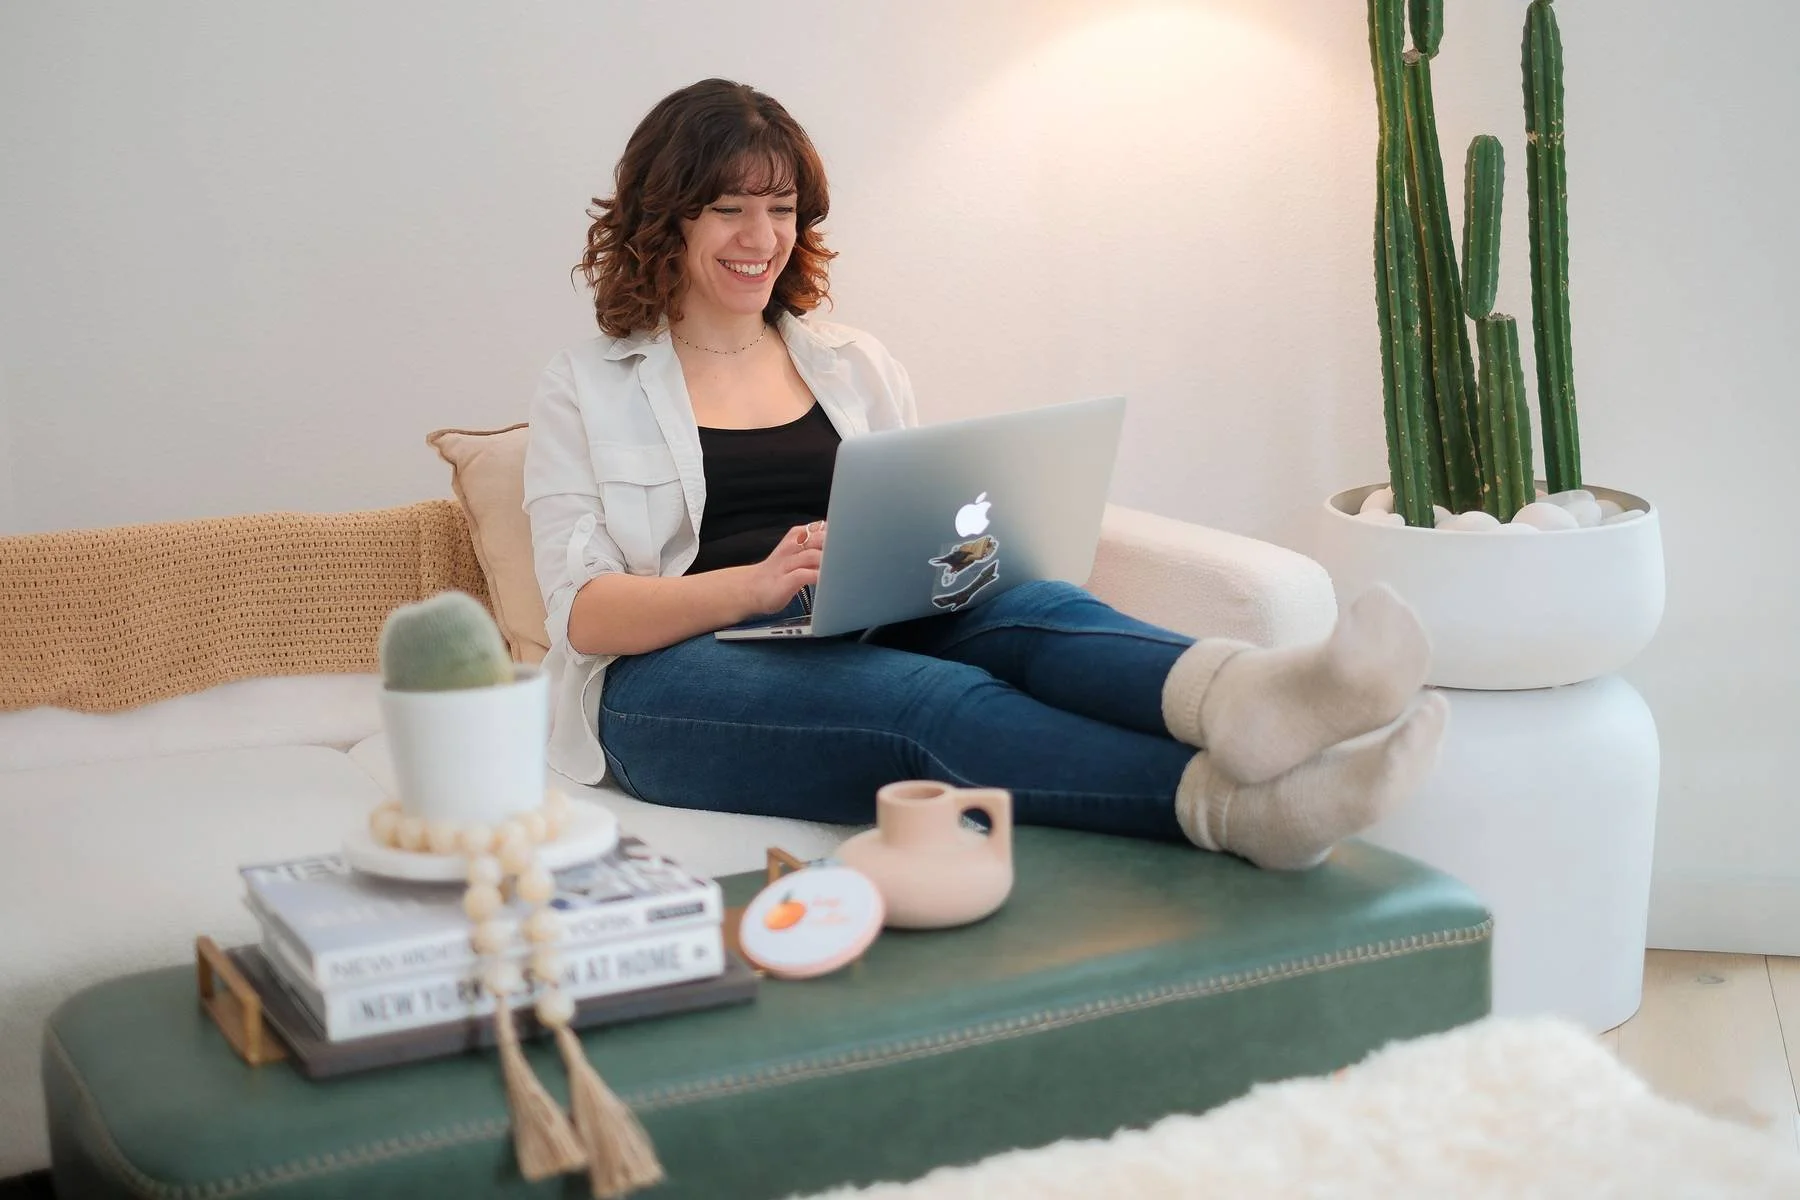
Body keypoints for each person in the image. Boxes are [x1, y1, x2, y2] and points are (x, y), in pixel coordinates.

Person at [524, 78, 1447, 871]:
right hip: (670, 686)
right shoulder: (586, 387)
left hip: (851, 629)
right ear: (667, 217)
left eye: (783, 208)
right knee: (936, 703)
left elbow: (917, 526)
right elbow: (583, 613)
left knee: (1040, 608)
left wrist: (968, 554)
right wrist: (753, 586)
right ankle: (1243, 811)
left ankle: (1251, 698)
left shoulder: (852, 363)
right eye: (730, 207)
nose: (761, 236)